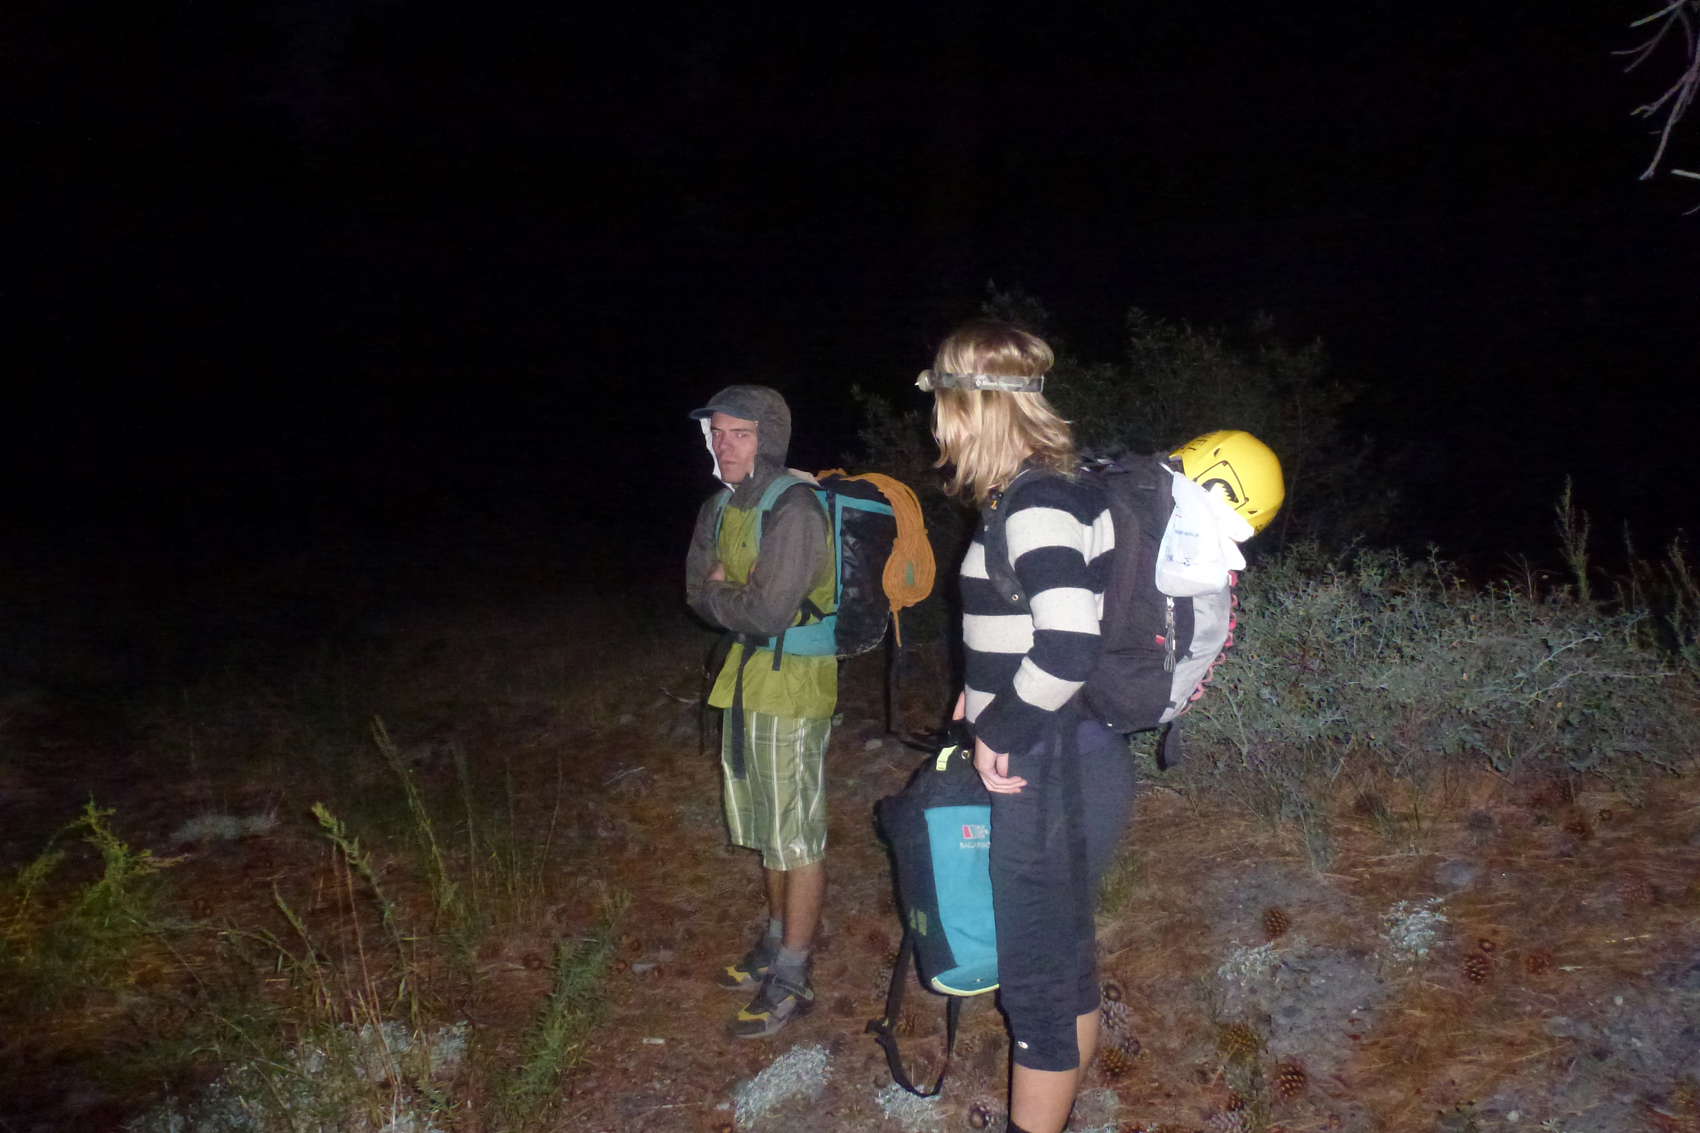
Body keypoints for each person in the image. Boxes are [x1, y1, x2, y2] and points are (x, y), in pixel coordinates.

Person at [921, 321, 1137, 1133]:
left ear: (969, 403)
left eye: (942, 400)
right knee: (1065, 961)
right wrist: (975, 695)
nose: (937, 422)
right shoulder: (1048, 486)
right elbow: (1027, 623)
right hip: (1073, 757)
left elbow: (1070, 644)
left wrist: (999, 726)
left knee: (1040, 983)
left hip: (1046, 767)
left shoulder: (1038, 500)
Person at [685, 384, 837, 1039]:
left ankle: (795, 973)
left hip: (794, 684)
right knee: (765, 827)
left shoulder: (795, 507)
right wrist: (725, 596)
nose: (724, 444)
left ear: (767, 438)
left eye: (740, 433)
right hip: (744, 681)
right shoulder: (719, 506)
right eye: (717, 432)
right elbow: (695, 592)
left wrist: (724, 593)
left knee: (795, 834)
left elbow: (770, 611)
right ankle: (776, 940)